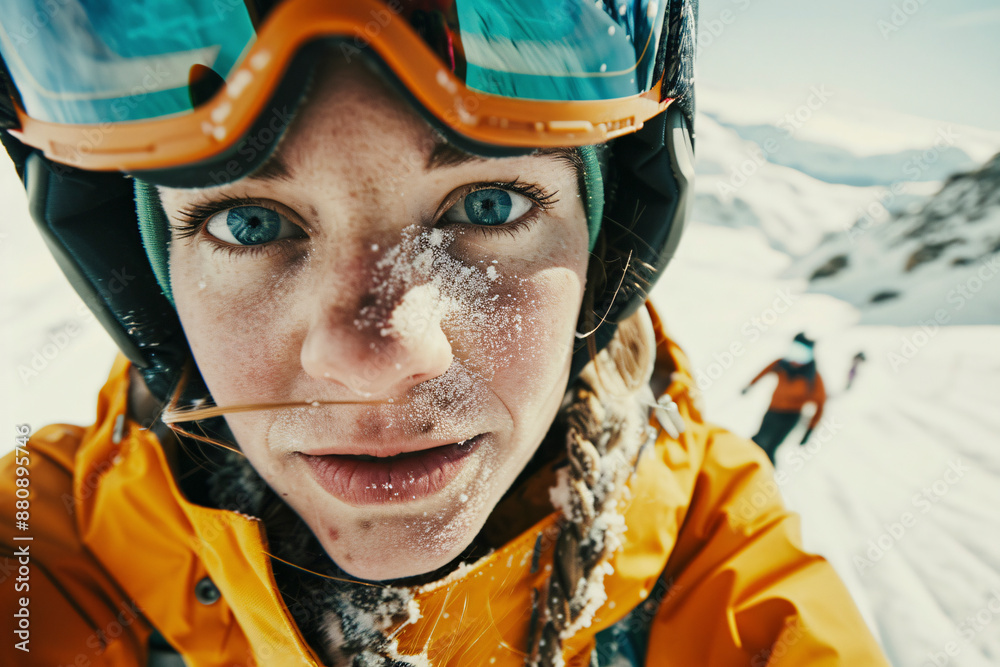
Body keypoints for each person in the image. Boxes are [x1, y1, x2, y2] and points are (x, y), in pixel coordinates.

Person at [0, 2, 888, 665]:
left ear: (608, 241)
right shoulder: (48, 552)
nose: (379, 360)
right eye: (250, 225)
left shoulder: (729, 582)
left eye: (485, 206)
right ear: (149, 285)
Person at [743, 333, 828, 464]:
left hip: (790, 417)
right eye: (794, 352)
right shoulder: (782, 364)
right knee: (757, 440)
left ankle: (764, 479)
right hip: (773, 410)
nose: (795, 360)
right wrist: (750, 385)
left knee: (770, 448)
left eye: (801, 355)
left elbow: (821, 404)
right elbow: (764, 371)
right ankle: (742, 468)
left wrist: (810, 429)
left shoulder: (813, 378)